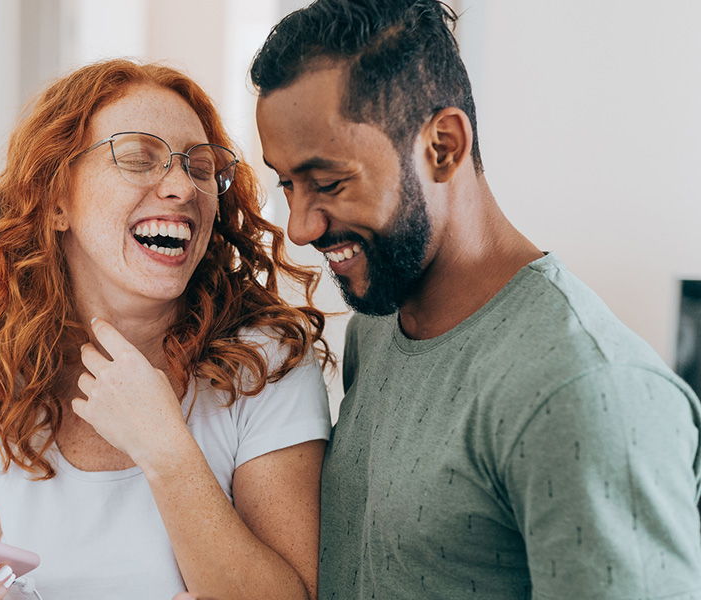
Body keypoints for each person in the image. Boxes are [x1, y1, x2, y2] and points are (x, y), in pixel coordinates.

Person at [249, 0, 701, 598]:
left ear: (443, 145)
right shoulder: (378, 326)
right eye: (286, 183)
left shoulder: (586, 389)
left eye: (328, 183)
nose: (299, 227)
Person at [0, 60, 334, 600]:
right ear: (57, 198)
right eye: (139, 158)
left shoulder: (265, 368)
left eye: (202, 168)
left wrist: (165, 448)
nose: (184, 187)